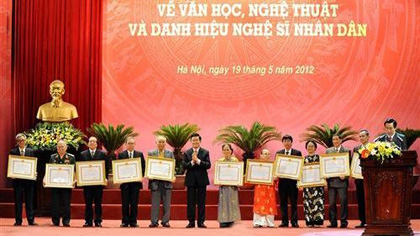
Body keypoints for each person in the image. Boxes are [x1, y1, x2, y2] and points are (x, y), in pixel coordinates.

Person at [183, 133, 211, 228]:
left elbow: (208, 165)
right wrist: (192, 162)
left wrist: (198, 161)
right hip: (190, 181)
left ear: (200, 141)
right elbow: (184, 165)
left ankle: (201, 222)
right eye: (193, 140)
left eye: (197, 140)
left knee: (201, 202)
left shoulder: (205, 152)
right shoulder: (186, 153)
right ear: (191, 141)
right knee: (190, 202)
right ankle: (191, 222)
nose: (195, 142)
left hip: (202, 180)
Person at [9, 133, 37, 226]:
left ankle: (31, 220)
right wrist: (11, 173)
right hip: (17, 180)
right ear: (17, 142)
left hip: (29, 180)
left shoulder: (31, 151)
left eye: (23, 140)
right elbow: (10, 164)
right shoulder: (13, 152)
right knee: (18, 201)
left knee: (29, 200)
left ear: (26, 141)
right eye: (20, 140)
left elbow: (34, 164)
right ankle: (18, 220)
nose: (21, 142)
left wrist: (34, 172)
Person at [147, 136, 175, 228]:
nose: (161, 144)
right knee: (155, 204)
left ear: (165, 143)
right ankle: (154, 221)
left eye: (163, 142)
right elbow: (148, 167)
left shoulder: (170, 153)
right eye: (159, 142)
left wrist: (172, 175)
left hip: (167, 182)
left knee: (167, 204)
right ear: (156, 143)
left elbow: (173, 167)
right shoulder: (151, 153)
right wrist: (148, 174)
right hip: (155, 182)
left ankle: (165, 221)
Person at [79, 136, 107, 227]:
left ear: (96, 144)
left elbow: (106, 167)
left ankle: (98, 221)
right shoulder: (83, 154)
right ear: (87, 143)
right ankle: (88, 221)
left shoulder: (102, 154)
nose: (91, 143)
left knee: (98, 203)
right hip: (87, 184)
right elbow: (79, 168)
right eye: (90, 141)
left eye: (93, 142)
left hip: (98, 183)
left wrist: (105, 178)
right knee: (88, 203)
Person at [118, 136, 145, 227]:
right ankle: (125, 221)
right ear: (125, 144)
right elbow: (118, 168)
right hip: (125, 184)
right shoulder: (121, 155)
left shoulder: (139, 154)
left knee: (134, 203)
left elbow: (143, 167)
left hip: (136, 184)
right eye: (129, 143)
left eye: (132, 143)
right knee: (125, 203)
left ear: (135, 144)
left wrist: (141, 175)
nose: (130, 145)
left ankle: (133, 221)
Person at [47, 140, 75, 227]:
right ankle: (55, 220)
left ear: (66, 147)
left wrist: (74, 180)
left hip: (66, 184)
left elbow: (74, 170)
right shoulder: (52, 157)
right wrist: (46, 179)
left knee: (66, 203)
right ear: (56, 148)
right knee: (55, 203)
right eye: (59, 146)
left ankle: (66, 221)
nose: (60, 148)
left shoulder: (71, 157)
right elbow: (48, 170)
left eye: (62, 146)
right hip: (55, 183)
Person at [276, 134, 302, 228]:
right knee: (283, 203)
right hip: (282, 182)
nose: (287, 143)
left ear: (291, 142)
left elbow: (300, 167)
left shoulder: (297, 153)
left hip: (293, 182)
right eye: (285, 141)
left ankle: (294, 221)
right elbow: (276, 167)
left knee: (294, 202)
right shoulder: (279, 153)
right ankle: (284, 221)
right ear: (282, 143)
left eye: (288, 141)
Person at [325, 134, 350, 228]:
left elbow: (349, 165)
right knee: (331, 203)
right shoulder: (328, 151)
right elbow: (326, 165)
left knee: (343, 202)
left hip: (342, 181)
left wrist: (346, 174)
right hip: (331, 181)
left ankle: (343, 222)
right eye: (333, 139)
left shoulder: (346, 151)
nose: (335, 141)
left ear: (341, 140)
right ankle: (333, 222)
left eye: (336, 139)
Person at [217, 144, 241, 228]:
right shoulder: (220, 161)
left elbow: (238, 173)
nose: (226, 151)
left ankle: (231, 220)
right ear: (222, 151)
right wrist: (218, 180)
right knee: (223, 202)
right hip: (223, 186)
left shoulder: (235, 161)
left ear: (231, 151)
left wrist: (238, 181)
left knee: (232, 201)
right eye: (224, 150)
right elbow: (217, 174)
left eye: (228, 149)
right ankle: (223, 220)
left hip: (232, 186)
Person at [253, 149, 277, 228]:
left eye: (268, 154)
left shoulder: (273, 165)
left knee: (270, 204)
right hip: (259, 187)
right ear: (261, 155)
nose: (266, 155)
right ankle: (258, 222)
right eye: (265, 154)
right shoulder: (256, 165)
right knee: (259, 203)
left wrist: (276, 177)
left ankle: (270, 223)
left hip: (269, 188)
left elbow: (277, 177)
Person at [303, 140, 325, 227]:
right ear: (306, 148)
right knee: (308, 203)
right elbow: (300, 172)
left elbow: (324, 170)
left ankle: (318, 221)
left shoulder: (320, 158)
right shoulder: (303, 159)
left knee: (318, 203)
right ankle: (309, 221)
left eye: (312, 146)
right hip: (307, 185)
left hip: (318, 185)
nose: (310, 148)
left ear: (315, 148)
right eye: (308, 146)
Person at [353, 130, 370, 228]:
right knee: (360, 199)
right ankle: (362, 221)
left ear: (368, 137)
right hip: (359, 178)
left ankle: (371, 220)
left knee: (370, 199)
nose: (361, 138)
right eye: (360, 136)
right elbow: (353, 163)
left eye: (363, 136)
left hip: (369, 178)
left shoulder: (374, 148)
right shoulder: (356, 149)